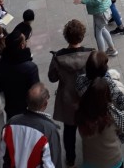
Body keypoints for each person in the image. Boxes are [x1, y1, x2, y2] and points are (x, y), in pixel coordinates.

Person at [47, 19, 93, 168]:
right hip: (86, 99)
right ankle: (91, 155)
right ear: (82, 36)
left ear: (66, 37)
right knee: (88, 128)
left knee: (69, 131)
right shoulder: (91, 54)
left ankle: (70, 159)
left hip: (67, 100)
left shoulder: (58, 57)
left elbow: (52, 78)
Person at [1, 83, 62, 168]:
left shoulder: (11, 123)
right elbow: (52, 164)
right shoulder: (49, 130)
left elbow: (3, 154)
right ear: (45, 103)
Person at [76, 77, 124, 168]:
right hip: (113, 160)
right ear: (108, 94)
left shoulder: (81, 114)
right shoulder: (115, 114)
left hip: (90, 161)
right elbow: (123, 133)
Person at [0, 30, 40, 119]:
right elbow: (36, 93)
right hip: (26, 111)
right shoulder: (30, 68)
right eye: (25, 41)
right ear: (22, 45)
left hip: (8, 108)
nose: (26, 42)